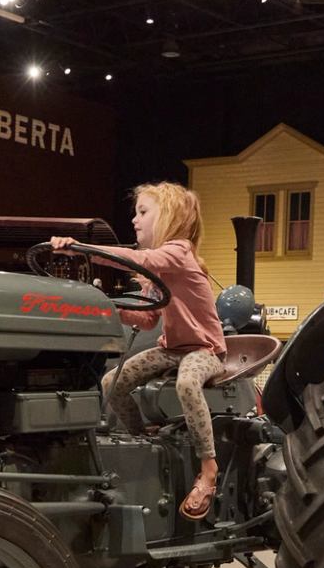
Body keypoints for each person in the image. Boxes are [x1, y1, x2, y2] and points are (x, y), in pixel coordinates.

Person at [52, 182, 225, 519]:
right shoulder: (156, 273)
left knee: (187, 383)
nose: (134, 220)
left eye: (143, 212)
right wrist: (109, 306)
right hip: (172, 349)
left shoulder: (178, 251)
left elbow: (141, 258)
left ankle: (208, 467)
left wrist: (82, 249)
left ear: (170, 217)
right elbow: (147, 320)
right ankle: (142, 438)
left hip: (205, 349)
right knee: (110, 382)